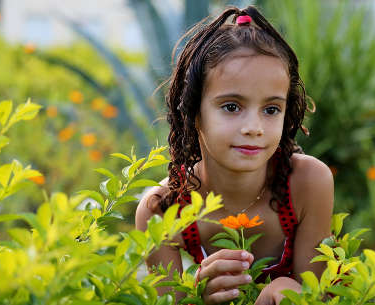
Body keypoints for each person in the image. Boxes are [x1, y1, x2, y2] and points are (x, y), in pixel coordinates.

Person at [135, 5, 333, 305]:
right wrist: (198, 298)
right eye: (231, 106)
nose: (254, 128)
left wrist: (290, 289)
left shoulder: (307, 184)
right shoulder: (162, 211)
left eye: (271, 109)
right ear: (194, 112)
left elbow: (322, 296)